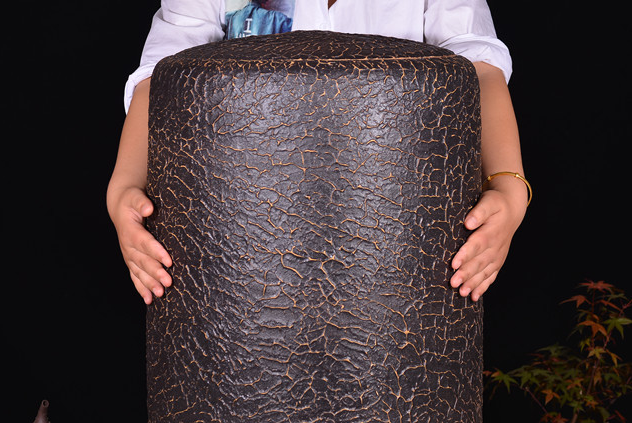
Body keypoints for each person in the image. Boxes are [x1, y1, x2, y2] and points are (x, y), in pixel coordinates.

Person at [107, 0, 528, 305]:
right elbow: (163, 77)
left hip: (394, 234)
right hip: (241, 237)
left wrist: (510, 187)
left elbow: (478, 67)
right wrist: (124, 185)